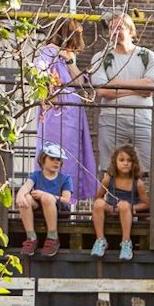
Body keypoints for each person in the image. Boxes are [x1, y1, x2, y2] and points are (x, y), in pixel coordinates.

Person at [32, 17, 97, 199]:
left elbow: (81, 83)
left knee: (71, 155)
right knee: (56, 153)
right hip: (57, 114)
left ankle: (68, 196)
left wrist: (68, 60)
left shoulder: (66, 56)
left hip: (72, 114)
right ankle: (50, 195)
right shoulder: (46, 53)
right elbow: (39, 73)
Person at [88, 12, 154, 174]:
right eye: (112, 28)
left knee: (150, 167)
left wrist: (116, 83)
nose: (115, 32)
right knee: (110, 168)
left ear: (130, 30)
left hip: (142, 119)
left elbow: (150, 88)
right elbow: (102, 91)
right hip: (111, 119)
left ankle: (146, 199)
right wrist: (138, 89)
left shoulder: (148, 56)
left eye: (119, 27)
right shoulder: (100, 58)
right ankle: (113, 199)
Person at [15, 142, 74, 259]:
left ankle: (53, 237)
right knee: (26, 197)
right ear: (43, 159)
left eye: (59, 159)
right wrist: (20, 196)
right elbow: (26, 187)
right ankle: (31, 237)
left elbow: (66, 200)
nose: (56, 162)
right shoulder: (36, 175)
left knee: (46, 198)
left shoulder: (65, 178)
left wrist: (45, 195)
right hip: (40, 207)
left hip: (59, 209)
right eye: (52, 158)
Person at [89, 144, 143, 262]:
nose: (125, 163)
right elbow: (98, 197)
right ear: (115, 162)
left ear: (134, 163)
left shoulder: (137, 183)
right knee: (98, 203)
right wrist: (109, 207)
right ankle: (100, 240)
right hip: (111, 208)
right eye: (122, 160)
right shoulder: (109, 179)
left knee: (123, 205)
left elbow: (146, 203)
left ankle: (126, 242)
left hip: (127, 212)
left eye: (129, 160)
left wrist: (131, 207)